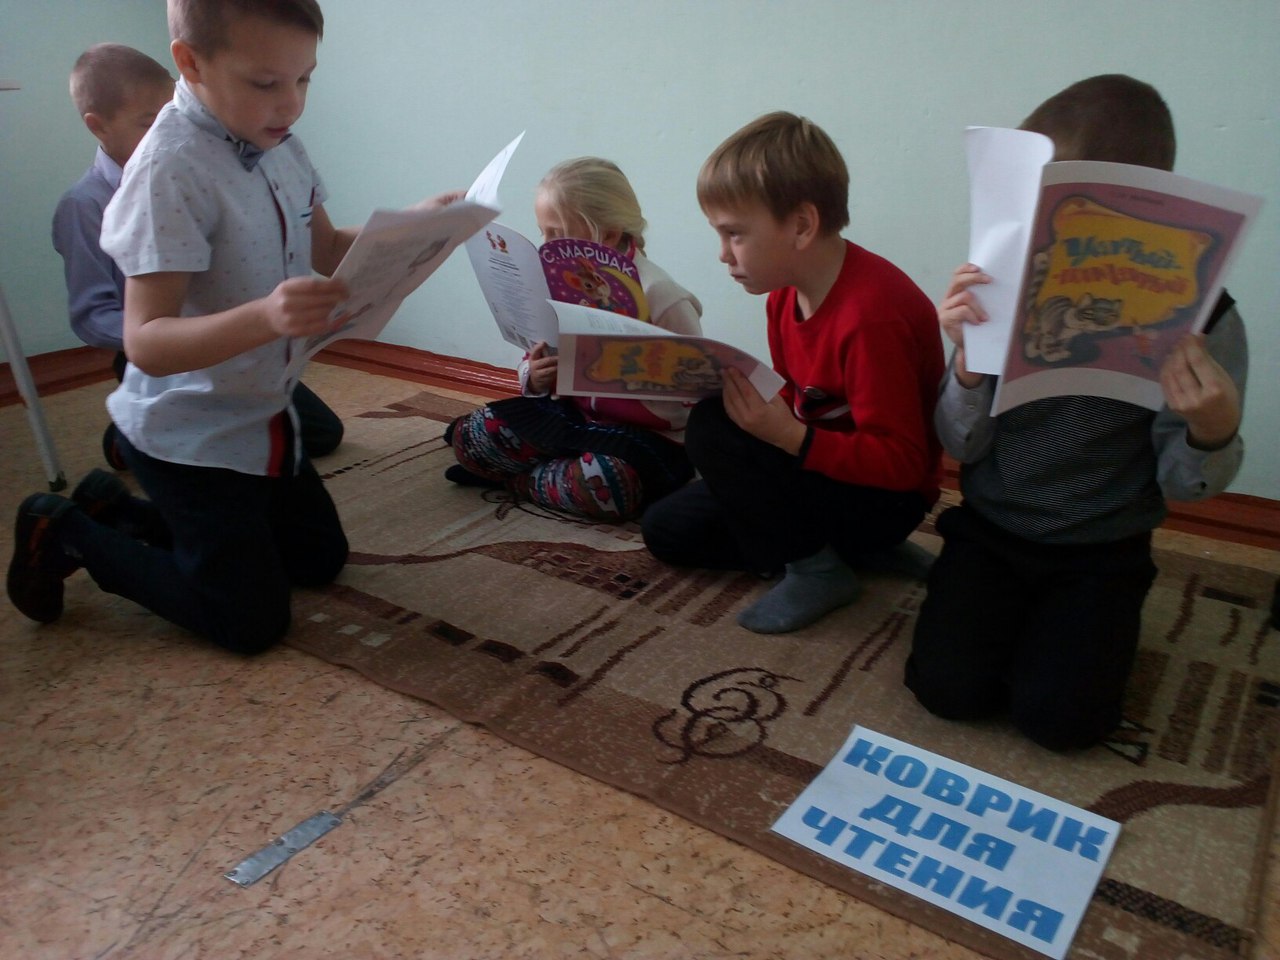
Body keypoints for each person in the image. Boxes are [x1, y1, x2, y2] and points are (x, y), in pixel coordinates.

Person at [8, 0, 458, 652]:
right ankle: (67, 530)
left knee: (318, 561)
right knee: (249, 621)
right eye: (266, 82)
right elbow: (145, 341)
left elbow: (329, 248)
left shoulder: (278, 140)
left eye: (304, 78)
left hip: (262, 408)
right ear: (190, 64)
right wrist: (266, 316)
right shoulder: (167, 170)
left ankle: (117, 510)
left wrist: (414, 228)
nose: (292, 103)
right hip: (188, 431)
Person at [904, 75, 1250, 751]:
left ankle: (1070, 636)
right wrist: (967, 365)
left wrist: (1212, 430)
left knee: (1064, 724)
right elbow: (960, 445)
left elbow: (1186, 487)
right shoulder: (1001, 280)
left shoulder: (1207, 317)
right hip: (992, 529)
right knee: (946, 690)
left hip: (1103, 550)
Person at [641, 112, 944, 634]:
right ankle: (850, 551)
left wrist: (789, 437)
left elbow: (903, 465)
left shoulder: (872, 317)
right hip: (822, 471)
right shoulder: (783, 295)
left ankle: (818, 568)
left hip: (887, 498)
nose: (722, 255)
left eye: (734, 234)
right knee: (666, 531)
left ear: (801, 225)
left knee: (711, 428)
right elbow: (796, 398)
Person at [52, 41, 344, 468]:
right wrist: (189, 330)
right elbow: (93, 315)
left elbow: (321, 246)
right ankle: (129, 436)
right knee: (199, 446)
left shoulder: (236, 161)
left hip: (239, 340)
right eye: (147, 122)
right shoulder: (87, 204)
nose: (166, 127)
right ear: (99, 127)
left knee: (318, 434)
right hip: (164, 351)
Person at [446, 157, 703, 522]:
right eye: (543, 232)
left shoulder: (661, 294)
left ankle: (521, 481)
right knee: (474, 436)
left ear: (608, 235)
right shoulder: (553, 281)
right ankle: (548, 474)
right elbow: (534, 351)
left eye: (557, 234)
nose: (545, 246)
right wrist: (534, 376)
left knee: (606, 483)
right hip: (572, 417)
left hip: (645, 437)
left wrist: (632, 371)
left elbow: (695, 389)